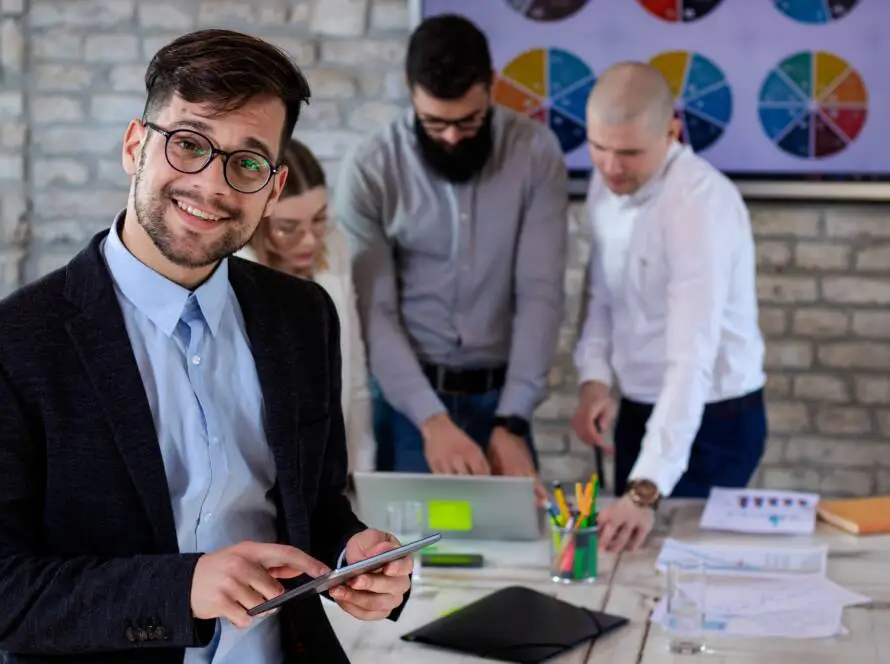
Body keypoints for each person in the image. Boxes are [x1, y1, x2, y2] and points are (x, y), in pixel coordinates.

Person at [0, 30, 411, 664]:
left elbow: (317, 504)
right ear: (136, 146)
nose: (212, 185)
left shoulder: (303, 317)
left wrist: (352, 555)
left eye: (246, 163)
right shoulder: (18, 342)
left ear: (271, 189)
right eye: (188, 144)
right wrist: (181, 587)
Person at [336, 14, 568, 482]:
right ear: (410, 87)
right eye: (435, 122)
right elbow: (374, 311)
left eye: (468, 121)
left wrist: (512, 420)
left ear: (492, 85)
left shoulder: (536, 152)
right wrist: (432, 420)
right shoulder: (370, 167)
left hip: (503, 400)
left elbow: (540, 293)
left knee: (521, 546)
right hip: (409, 403)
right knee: (408, 549)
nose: (451, 136)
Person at [571, 62, 767, 553]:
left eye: (630, 153)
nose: (612, 167)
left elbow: (691, 358)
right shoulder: (606, 183)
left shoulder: (698, 206)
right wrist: (594, 377)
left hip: (714, 420)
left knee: (683, 568)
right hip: (640, 409)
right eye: (599, 149)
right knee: (626, 559)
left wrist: (646, 487)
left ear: (672, 131)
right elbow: (601, 293)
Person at [237, 138, 375, 475]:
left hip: (329, 462)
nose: (311, 239)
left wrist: (360, 470)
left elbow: (353, 376)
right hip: (260, 468)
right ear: (257, 219)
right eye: (288, 228)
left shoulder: (335, 246)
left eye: (318, 219)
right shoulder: (234, 273)